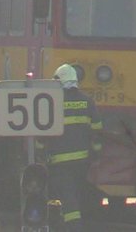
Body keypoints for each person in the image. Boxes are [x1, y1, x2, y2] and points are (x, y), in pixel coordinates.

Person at [43, 63, 103, 232]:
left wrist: (40, 152)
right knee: (75, 194)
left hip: (59, 162)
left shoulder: (53, 102)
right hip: (82, 162)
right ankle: (69, 224)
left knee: (68, 198)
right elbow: (97, 130)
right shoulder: (87, 101)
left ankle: (73, 228)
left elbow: (43, 133)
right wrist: (96, 154)